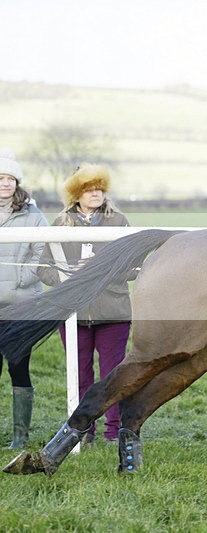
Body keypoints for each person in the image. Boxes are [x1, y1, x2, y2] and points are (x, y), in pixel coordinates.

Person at [37, 164, 132, 444]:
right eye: (89, 189)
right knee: (79, 375)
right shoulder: (60, 224)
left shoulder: (120, 221)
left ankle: (114, 431)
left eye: (99, 188)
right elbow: (44, 269)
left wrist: (105, 267)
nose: (96, 193)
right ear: (76, 193)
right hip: (73, 314)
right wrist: (68, 275)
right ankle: (83, 431)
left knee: (113, 376)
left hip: (113, 313)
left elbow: (134, 267)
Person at [0, 148, 48, 449]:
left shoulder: (32, 214)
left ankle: (20, 437)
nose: (5, 183)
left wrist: (23, 277)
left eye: (9, 178)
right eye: (0, 178)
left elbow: (42, 251)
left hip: (21, 303)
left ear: (17, 183)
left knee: (19, 366)